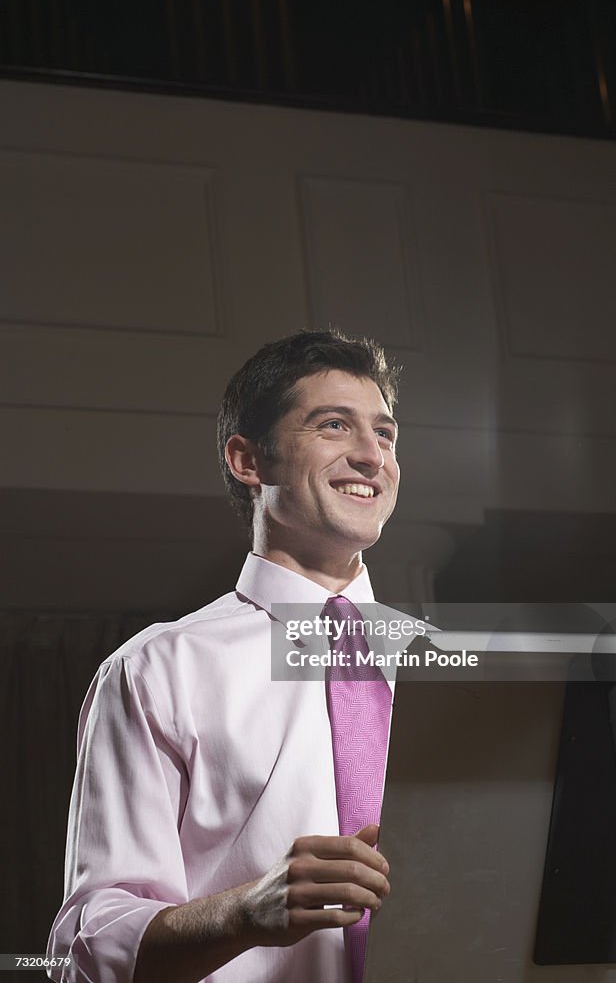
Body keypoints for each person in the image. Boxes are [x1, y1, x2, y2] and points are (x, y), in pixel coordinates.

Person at [47, 329, 402, 983]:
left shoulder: (453, 667)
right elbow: (83, 949)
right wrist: (245, 912)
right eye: (333, 425)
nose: (370, 455)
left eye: (384, 434)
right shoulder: (158, 668)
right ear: (248, 460)